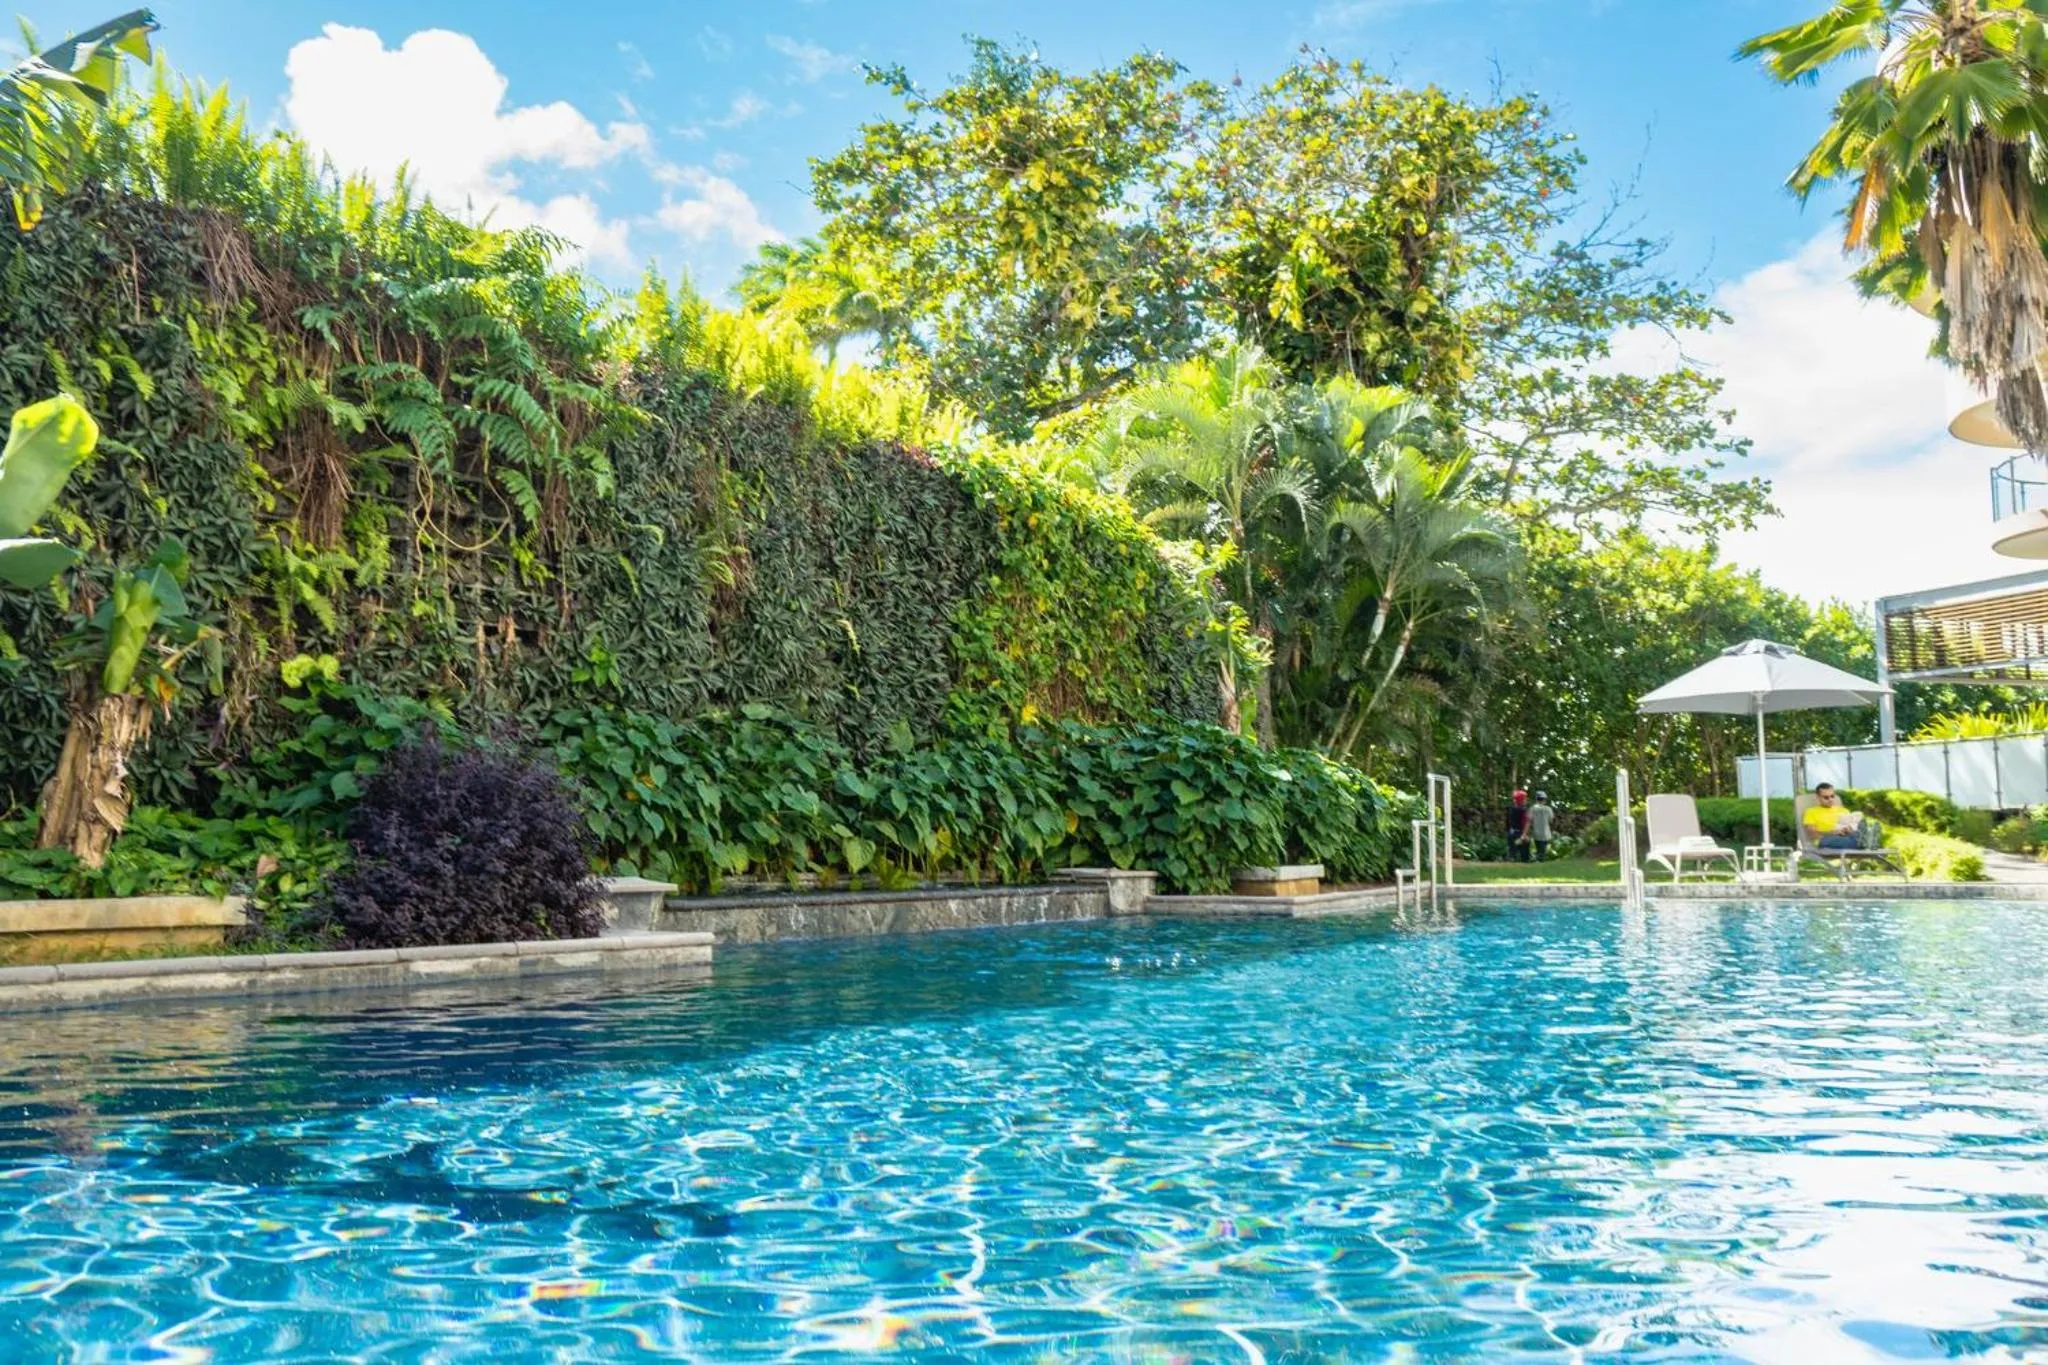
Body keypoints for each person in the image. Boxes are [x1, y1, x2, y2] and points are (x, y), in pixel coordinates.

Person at [1804, 783, 1881, 850]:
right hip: (1825, 839)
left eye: (1832, 796)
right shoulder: (1811, 812)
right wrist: (1831, 832)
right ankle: (1868, 842)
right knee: (1856, 840)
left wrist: (1849, 829)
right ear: (1818, 797)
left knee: (1856, 834)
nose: (1830, 799)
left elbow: (1852, 826)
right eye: (1826, 797)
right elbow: (1812, 834)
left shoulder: (1843, 810)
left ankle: (1866, 840)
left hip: (1847, 836)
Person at [1527, 791, 1555, 861]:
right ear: (1544, 799)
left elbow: (1529, 819)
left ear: (1536, 799)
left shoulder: (1532, 808)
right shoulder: (1548, 809)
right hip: (1546, 833)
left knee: (1539, 849)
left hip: (1537, 833)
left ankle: (1538, 860)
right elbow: (1551, 821)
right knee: (1543, 850)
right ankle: (1540, 861)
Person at [1507, 789, 1532, 862]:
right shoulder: (1524, 810)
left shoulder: (1511, 809)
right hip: (1520, 834)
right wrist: (1524, 835)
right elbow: (1526, 823)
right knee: (1524, 854)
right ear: (1522, 799)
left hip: (1511, 833)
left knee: (1512, 852)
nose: (1526, 800)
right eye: (1525, 798)